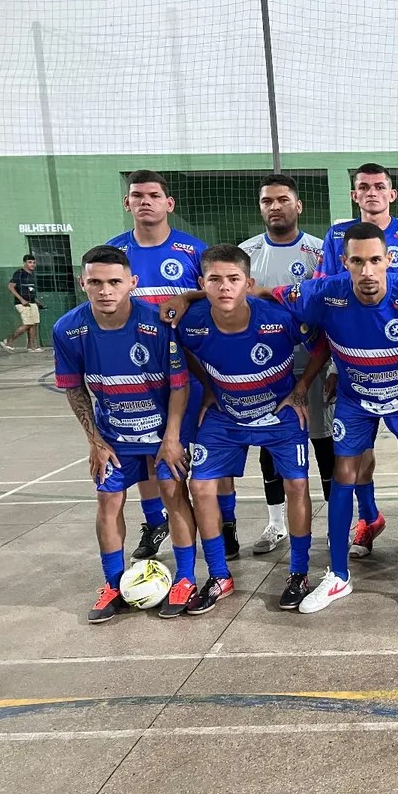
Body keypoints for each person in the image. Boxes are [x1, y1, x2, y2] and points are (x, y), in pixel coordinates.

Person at [265, 222, 398, 613]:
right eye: (357, 262)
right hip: (355, 400)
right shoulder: (324, 292)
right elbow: (263, 294)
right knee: (343, 474)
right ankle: (338, 575)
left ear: (388, 260)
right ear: (344, 262)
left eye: (375, 261)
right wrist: (194, 297)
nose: (367, 271)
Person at [177, 244, 326, 611]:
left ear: (249, 283)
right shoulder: (191, 322)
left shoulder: (279, 317)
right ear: (202, 284)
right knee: (200, 486)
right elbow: (184, 352)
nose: (224, 287)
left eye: (233, 279)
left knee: (297, 484)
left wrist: (301, 388)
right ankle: (219, 575)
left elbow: (322, 345)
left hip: (279, 414)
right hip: (225, 414)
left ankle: (298, 572)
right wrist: (208, 388)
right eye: (215, 279)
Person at [53, 246, 196, 622]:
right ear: (82, 283)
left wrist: (172, 438)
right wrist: (95, 441)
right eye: (96, 282)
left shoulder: (158, 324)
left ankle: (185, 579)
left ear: (132, 282)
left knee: (173, 494)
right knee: (107, 500)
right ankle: (113, 585)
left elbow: (179, 386)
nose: (105, 290)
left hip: (162, 432)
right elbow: (74, 388)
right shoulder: (68, 329)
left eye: (114, 282)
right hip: (113, 436)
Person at [107, 170, 239, 563]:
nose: (145, 201)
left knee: (209, 450)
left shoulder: (192, 249)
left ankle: (227, 523)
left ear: (169, 203)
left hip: (193, 368)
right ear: (126, 203)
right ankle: (155, 522)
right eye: (137, 195)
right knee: (149, 451)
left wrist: (186, 296)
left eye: (153, 195)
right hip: (139, 374)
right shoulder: (115, 252)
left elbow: (216, 289)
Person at [315, 163, 398, 554]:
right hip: (354, 369)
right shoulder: (336, 236)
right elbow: (324, 300)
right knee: (358, 454)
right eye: (364, 187)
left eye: (379, 186)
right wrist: (334, 365)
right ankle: (369, 518)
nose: (372, 193)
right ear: (354, 195)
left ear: (392, 194)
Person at [239, 173, 336, 555]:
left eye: (282, 200)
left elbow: (331, 309)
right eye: (267, 201)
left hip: (314, 363)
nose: (275, 206)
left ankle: (335, 525)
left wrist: (334, 367)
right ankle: (276, 523)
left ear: (298, 205)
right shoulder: (246, 253)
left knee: (324, 443)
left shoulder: (319, 252)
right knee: (271, 446)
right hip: (264, 369)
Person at [0, 254, 45, 352]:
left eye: (34, 262)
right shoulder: (19, 273)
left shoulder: (32, 275)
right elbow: (11, 286)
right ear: (24, 263)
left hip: (32, 302)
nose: (32, 264)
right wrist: (21, 300)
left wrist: (37, 301)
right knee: (28, 324)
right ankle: (8, 340)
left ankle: (31, 346)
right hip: (22, 303)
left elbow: (30, 290)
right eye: (30, 262)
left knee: (34, 324)